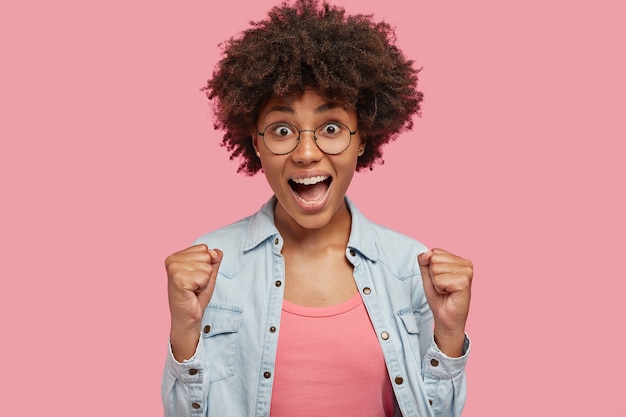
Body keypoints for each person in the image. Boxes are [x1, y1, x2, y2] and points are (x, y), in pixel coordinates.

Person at [161, 0, 474, 416]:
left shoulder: (411, 268)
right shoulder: (212, 267)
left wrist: (449, 336)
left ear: (362, 138)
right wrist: (185, 333)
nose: (306, 153)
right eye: (282, 129)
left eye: (330, 128)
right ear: (256, 143)